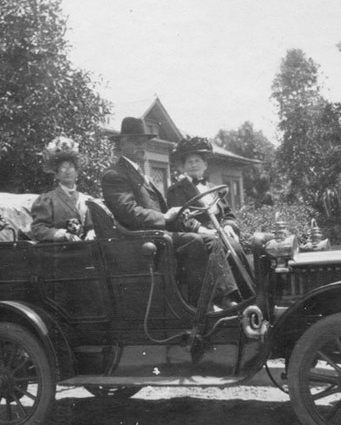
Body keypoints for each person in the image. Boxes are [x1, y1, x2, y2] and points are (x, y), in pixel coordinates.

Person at [101, 117, 239, 309]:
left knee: (213, 240)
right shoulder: (114, 174)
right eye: (136, 141)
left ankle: (223, 300)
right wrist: (165, 217)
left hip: (157, 234)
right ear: (123, 143)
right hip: (141, 241)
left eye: (144, 141)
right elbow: (128, 213)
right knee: (194, 241)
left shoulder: (139, 172)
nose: (142, 146)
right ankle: (200, 310)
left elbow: (158, 210)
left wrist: (178, 216)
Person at [167, 137, 254, 299]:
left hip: (219, 232)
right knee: (219, 246)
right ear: (183, 167)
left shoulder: (214, 188)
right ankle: (230, 297)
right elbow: (181, 218)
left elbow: (228, 214)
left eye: (197, 161)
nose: (194, 164)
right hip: (198, 236)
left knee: (235, 247)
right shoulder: (176, 190)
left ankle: (250, 295)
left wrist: (228, 226)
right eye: (189, 162)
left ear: (205, 165)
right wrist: (205, 230)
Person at [31, 136, 95, 242]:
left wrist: (91, 233)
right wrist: (63, 235)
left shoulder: (87, 201)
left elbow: (92, 226)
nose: (67, 171)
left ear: (77, 173)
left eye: (70, 167)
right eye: (63, 168)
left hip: (85, 250)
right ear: (56, 174)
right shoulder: (47, 200)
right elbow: (38, 229)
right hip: (58, 252)